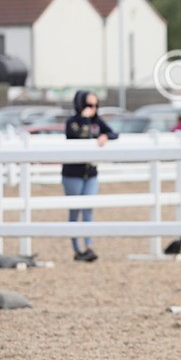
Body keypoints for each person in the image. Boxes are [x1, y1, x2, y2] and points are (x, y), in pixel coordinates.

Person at [62, 90, 118, 262]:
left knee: (89, 209)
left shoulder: (97, 121)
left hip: (90, 172)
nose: (92, 109)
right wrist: (85, 119)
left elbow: (114, 133)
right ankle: (76, 248)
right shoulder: (72, 122)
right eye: (89, 105)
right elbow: (79, 135)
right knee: (74, 211)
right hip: (73, 173)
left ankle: (89, 247)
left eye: (95, 105)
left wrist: (104, 136)